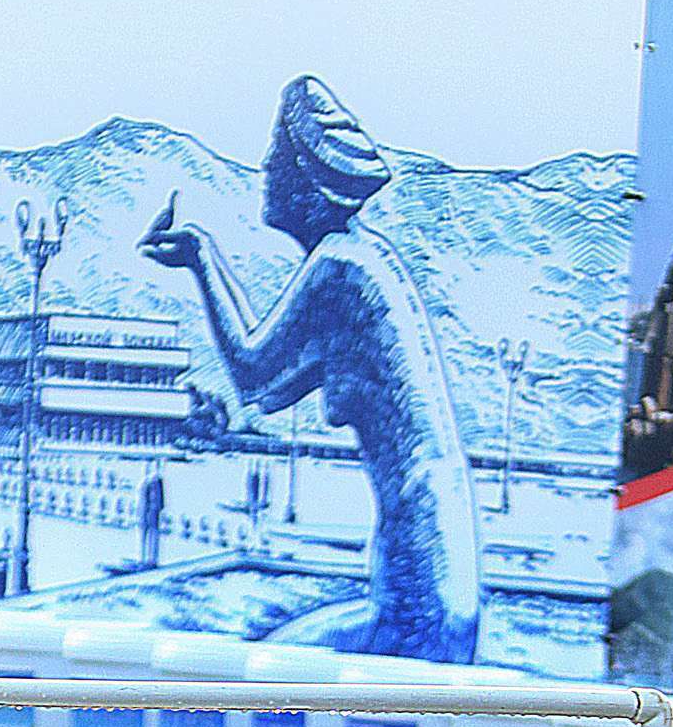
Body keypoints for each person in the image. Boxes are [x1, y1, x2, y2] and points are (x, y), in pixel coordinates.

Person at [140, 75, 482, 663]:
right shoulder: (358, 260)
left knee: (255, 682)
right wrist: (203, 257)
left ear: (306, 181)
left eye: (276, 158)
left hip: (421, 590)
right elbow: (269, 382)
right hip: (436, 579)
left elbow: (254, 379)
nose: (265, 170)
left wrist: (200, 257)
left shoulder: (341, 268)